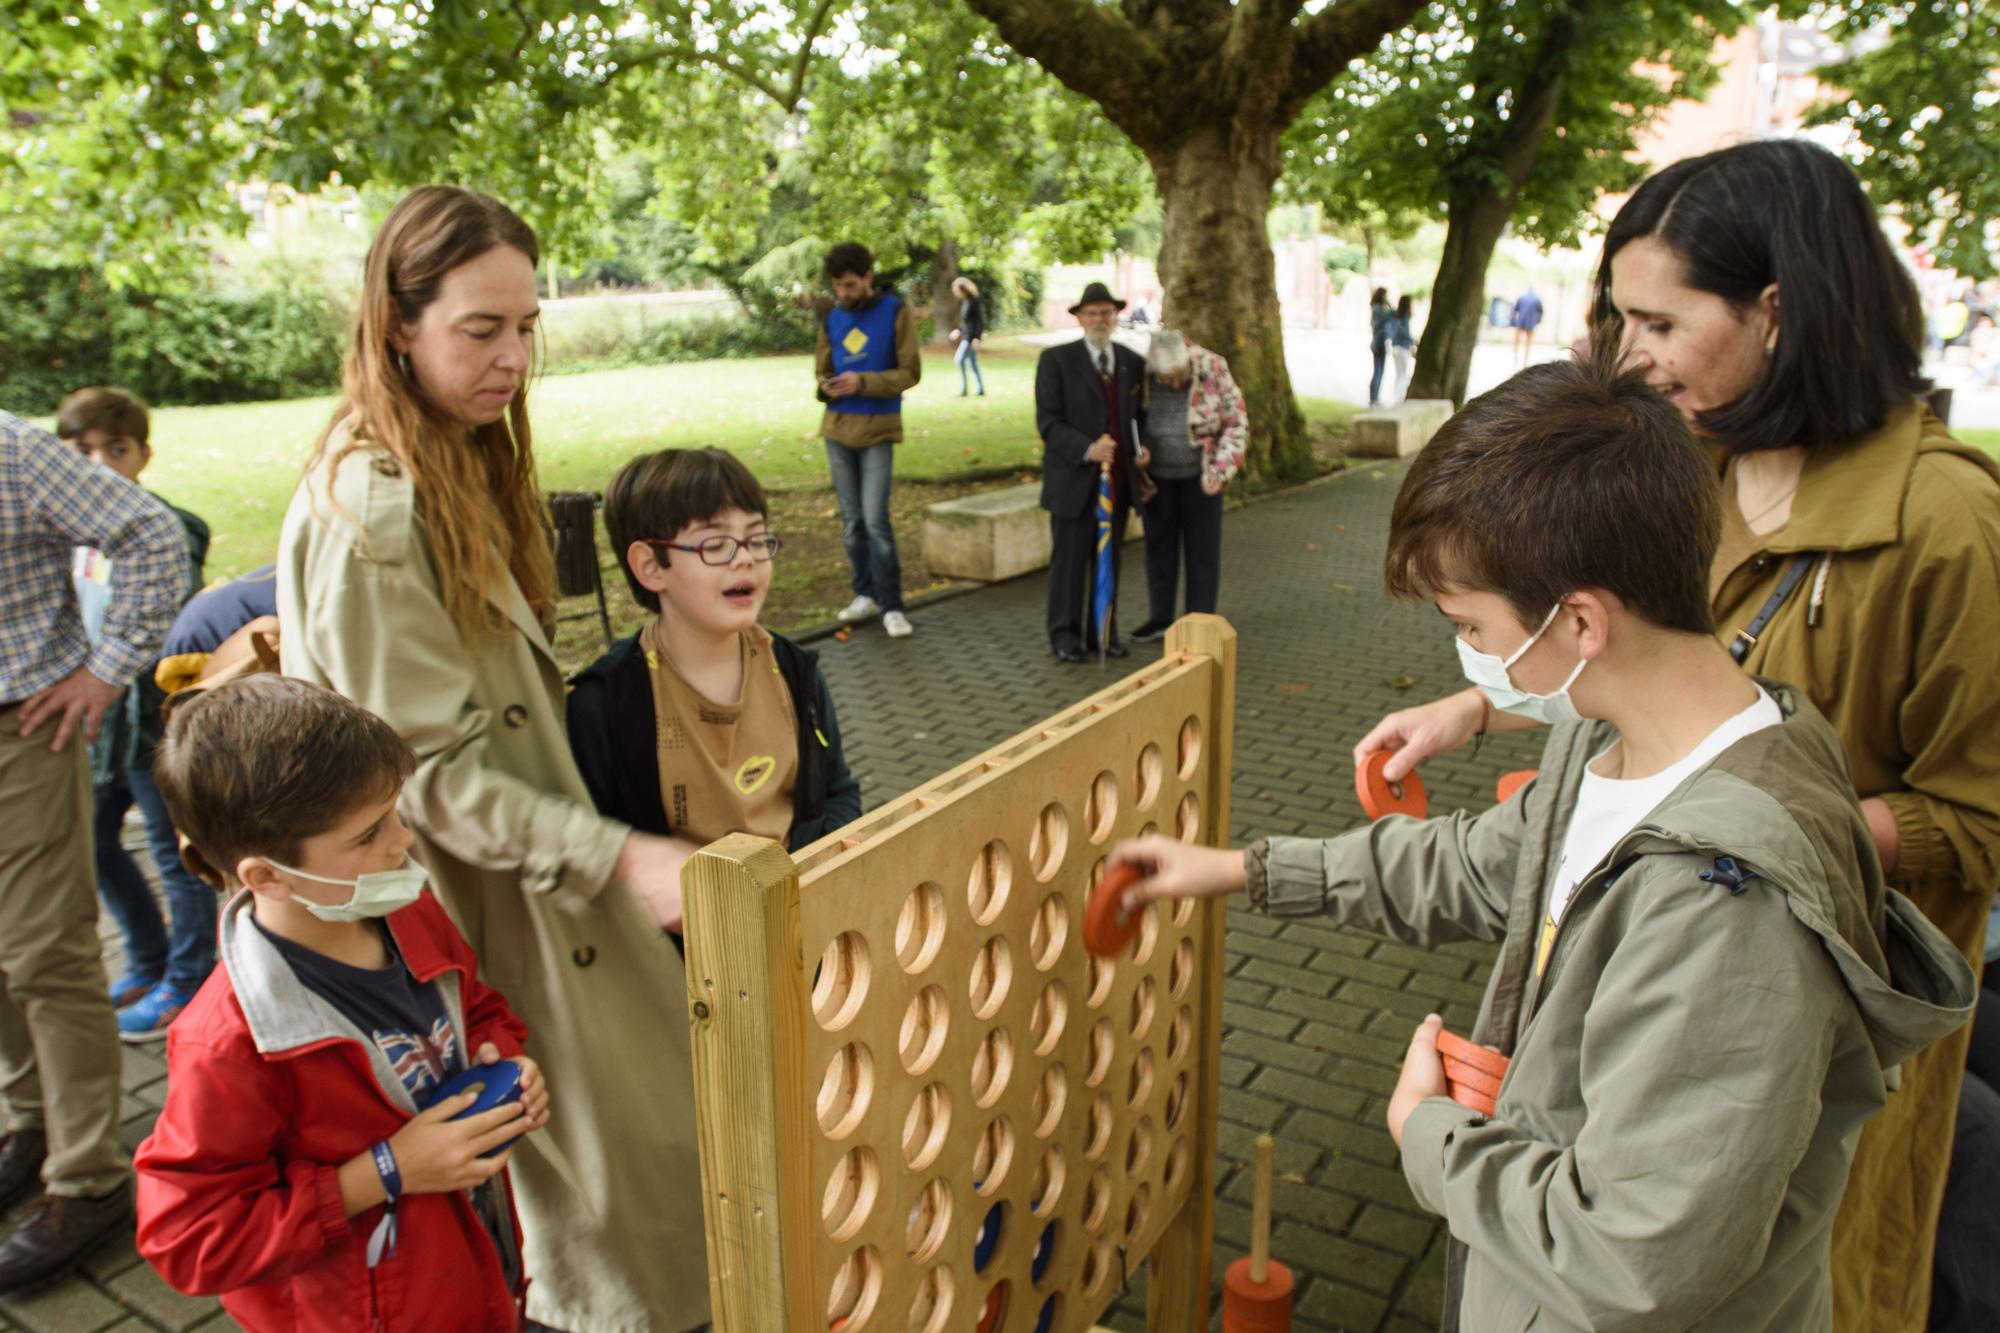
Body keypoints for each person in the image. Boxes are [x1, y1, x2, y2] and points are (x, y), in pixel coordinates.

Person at [1112, 355, 1976, 1330]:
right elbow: (1479, 863)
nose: (1473, 655)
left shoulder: (1723, 907)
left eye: (1471, 625)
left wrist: (1427, 1136)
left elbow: (1633, 1258)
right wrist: (1239, 869)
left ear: (1577, 620)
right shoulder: (1609, 742)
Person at [1356, 139, 2000, 1333]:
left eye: (1657, 320)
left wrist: (1749, 840)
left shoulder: (1946, 524)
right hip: (1645, 1007)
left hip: (1795, 1043)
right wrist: (1486, 699)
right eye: (1617, 318)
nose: (1628, 354)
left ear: (1777, 311)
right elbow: (1639, 658)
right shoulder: (1691, 464)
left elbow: (1975, 817)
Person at [276, 186, 710, 1331]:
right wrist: (618, 857)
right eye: (481, 329)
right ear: (397, 323)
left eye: (526, 327)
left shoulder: (451, 457)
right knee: (599, 1209)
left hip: (531, 878)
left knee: (641, 1179)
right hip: (488, 905)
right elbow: (412, 772)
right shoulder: (373, 506)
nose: (513, 356)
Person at [134, 675, 546, 1331]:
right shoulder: (229, 1044)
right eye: (368, 834)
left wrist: (508, 1059)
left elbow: (478, 1007)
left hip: (478, 1271)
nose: (402, 840)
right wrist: (382, 1172)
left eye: (395, 812)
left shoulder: (408, 910)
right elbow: (188, 1238)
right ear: (266, 875)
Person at [0, 411, 186, 1291]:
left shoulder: (10, 449)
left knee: (46, 954)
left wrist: (108, 665)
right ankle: (30, 1124)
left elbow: (149, 531)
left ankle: (89, 1180)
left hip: (20, 728)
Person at [566, 447, 862, 852]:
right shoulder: (603, 704)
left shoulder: (794, 669)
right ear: (651, 566)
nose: (744, 559)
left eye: (756, 538)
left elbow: (838, 792)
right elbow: (595, 849)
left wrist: (815, 870)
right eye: (715, 544)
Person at [56, 387, 217, 1041]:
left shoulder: (163, 526)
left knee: (173, 851)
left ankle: (189, 979)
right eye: (82, 450)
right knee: (93, 843)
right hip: (94, 731)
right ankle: (147, 958)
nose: (99, 464)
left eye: (115, 449)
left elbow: (160, 625)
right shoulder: (64, 531)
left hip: (153, 726)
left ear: (142, 454)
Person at [1035, 282, 1147, 663]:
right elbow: (1049, 423)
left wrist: (1141, 448)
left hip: (1115, 486)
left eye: (1107, 313)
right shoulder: (1056, 361)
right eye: (1093, 313)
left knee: (1108, 562)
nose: (1101, 320)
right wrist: (1087, 449)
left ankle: (1103, 632)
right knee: (1068, 566)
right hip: (1072, 482)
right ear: (1080, 318)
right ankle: (1064, 636)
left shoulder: (1132, 362)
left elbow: (1138, 420)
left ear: (1116, 317)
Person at [816, 241, 919, 639]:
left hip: (878, 428)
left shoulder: (894, 312)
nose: (844, 293)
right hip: (838, 429)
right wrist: (828, 386)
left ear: (868, 278)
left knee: (876, 520)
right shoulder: (832, 318)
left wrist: (864, 381)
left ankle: (892, 604)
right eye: (838, 286)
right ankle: (865, 595)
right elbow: (822, 372)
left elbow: (910, 371)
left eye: (851, 285)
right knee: (852, 522)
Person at [1130, 329, 1246, 643]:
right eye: (1167, 380)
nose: (1176, 385)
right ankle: (1160, 619)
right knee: (1159, 549)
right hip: (1158, 480)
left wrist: (1220, 473)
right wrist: (1137, 454)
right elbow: (1132, 420)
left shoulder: (1213, 366)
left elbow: (1236, 423)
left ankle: (1200, 622)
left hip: (1201, 478)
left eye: (1180, 376)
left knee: (1203, 553)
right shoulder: (1144, 371)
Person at [949, 275, 986, 397]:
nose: (956, 294)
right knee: (973, 363)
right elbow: (966, 321)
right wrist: (958, 330)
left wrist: (977, 337)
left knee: (959, 360)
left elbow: (978, 321)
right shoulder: (965, 302)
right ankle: (980, 388)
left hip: (970, 338)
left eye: (957, 291)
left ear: (963, 290)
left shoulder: (974, 301)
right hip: (966, 335)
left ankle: (964, 389)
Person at [1367, 286, 1392, 407]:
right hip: (1378, 343)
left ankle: (1376, 398)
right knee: (1377, 371)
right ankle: (1373, 399)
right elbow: (1392, 315)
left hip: (1382, 342)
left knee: (1381, 371)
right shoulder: (1377, 309)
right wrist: (1389, 304)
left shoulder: (1380, 308)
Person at [1389, 295, 1416, 405]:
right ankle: (1399, 399)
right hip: (1403, 348)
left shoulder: (1396, 316)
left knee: (1398, 374)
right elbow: (1405, 333)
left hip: (1395, 347)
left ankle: (1397, 397)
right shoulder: (1405, 317)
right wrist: (1414, 341)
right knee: (1403, 374)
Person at [1511, 286, 1544, 368]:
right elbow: (1541, 312)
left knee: (1516, 341)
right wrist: (1538, 321)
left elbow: (1514, 310)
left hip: (1520, 322)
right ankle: (1525, 361)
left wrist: (1513, 322)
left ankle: (1515, 358)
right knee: (1528, 343)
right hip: (1531, 324)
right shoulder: (1537, 299)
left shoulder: (1522, 297)